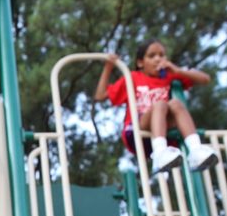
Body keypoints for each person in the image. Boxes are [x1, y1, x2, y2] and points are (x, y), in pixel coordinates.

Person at [94, 39, 219, 175]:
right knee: (160, 104)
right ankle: (159, 154)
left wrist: (178, 70)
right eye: (152, 56)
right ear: (140, 62)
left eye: (161, 55)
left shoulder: (168, 76)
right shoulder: (134, 77)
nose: (158, 59)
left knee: (176, 104)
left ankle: (196, 151)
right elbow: (100, 95)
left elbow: (205, 79)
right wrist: (108, 67)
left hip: (162, 129)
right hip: (138, 129)